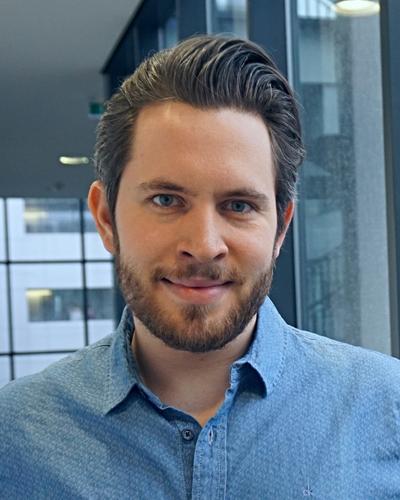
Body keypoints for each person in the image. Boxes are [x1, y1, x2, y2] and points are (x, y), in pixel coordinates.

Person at [0, 35, 399, 499]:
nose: (204, 246)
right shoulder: (15, 440)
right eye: (166, 200)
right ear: (106, 218)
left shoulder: (386, 409)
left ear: (281, 229)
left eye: (239, 205)